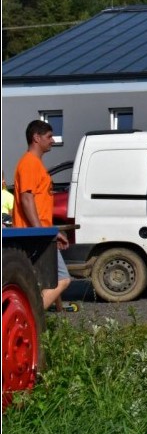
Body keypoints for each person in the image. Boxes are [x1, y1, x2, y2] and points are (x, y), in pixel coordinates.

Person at [12, 120, 78, 312]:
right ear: (36, 138)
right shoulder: (29, 164)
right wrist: (42, 232)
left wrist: (51, 232)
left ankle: (47, 317)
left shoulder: (35, 164)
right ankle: (30, 319)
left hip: (38, 234)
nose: (53, 140)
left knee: (44, 280)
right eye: (49, 136)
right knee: (63, 278)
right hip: (34, 235)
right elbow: (26, 199)